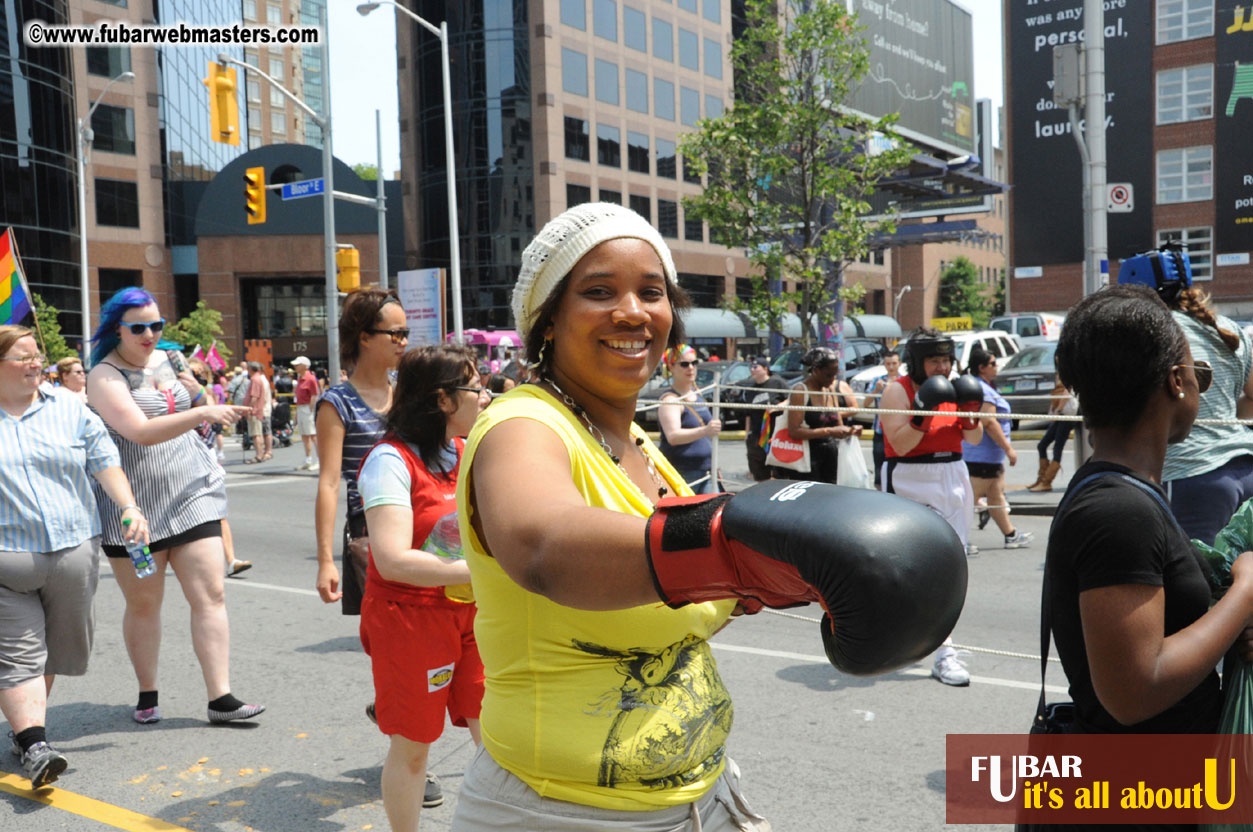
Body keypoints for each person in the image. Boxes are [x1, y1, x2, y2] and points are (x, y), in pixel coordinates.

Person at [453, 202, 966, 829]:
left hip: (703, 796)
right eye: (598, 291)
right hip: (559, 811)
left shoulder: (637, 447)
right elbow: (542, 547)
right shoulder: (522, 425)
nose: (633, 312)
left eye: (651, 292)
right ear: (549, 320)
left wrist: (775, 574)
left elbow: (669, 594)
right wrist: (728, 540)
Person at [1020, 285, 1253, 832]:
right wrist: (1244, 592)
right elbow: (1135, 688)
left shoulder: (1125, 494)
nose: (1201, 382)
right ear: (1176, 380)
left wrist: (1230, 625)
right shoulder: (1119, 511)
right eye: (1200, 371)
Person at [85, 287, 263, 725]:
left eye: (157, 325)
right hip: (134, 508)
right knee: (145, 604)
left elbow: (200, 401)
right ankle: (148, 693)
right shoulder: (104, 376)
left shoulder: (172, 358)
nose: (150, 334)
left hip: (190, 493)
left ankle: (220, 698)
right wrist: (202, 414)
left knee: (211, 593)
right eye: (139, 327)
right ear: (116, 330)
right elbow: (140, 431)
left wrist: (202, 397)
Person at [0, 326, 148, 788]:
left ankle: (26, 733)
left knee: (56, 649)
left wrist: (128, 506)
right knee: (20, 654)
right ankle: (36, 743)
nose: (34, 363)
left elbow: (104, 460)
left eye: (36, 354)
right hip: (7, 557)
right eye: (22, 356)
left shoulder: (67, 406)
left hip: (74, 549)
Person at [357, 345, 488, 832]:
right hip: (409, 620)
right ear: (443, 400)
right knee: (414, 746)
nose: (486, 398)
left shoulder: (463, 450)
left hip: (472, 614)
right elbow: (392, 560)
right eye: (476, 388)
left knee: (494, 735)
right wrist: (481, 575)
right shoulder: (388, 461)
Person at [1119, 256, 1253, 545]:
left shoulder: (1151, 331)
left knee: (1194, 584)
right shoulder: (1228, 327)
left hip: (1191, 472)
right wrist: (1227, 419)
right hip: (1245, 465)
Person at [879, 329, 984, 686]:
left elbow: (973, 439)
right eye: (935, 360)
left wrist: (972, 412)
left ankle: (931, 642)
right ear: (918, 361)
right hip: (910, 476)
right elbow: (901, 444)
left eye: (947, 359)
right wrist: (923, 413)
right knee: (919, 567)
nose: (943, 367)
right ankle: (943, 651)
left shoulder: (957, 388)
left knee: (954, 564)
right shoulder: (898, 390)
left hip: (953, 474)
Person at [960, 348, 1032, 549]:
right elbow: (989, 422)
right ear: (981, 368)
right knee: (968, 500)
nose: (996, 366)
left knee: (995, 496)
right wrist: (1009, 449)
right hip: (980, 455)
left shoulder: (985, 387)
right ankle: (959, 540)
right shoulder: (982, 390)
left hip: (989, 456)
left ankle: (1011, 535)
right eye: (992, 363)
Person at [188, 358, 250, 577]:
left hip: (206, 459)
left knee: (218, 511)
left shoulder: (208, 397)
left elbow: (217, 424)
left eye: (201, 374)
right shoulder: (174, 398)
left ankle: (231, 560)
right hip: (180, 464)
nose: (198, 378)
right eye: (193, 374)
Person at [771, 346, 860, 483]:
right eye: (828, 375)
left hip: (830, 456)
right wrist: (828, 431)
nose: (832, 379)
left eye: (835, 374)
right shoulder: (800, 391)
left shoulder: (830, 390)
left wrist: (850, 431)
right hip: (807, 458)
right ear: (816, 371)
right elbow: (794, 431)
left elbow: (838, 424)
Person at [656, 344, 721, 493]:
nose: (691, 368)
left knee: (714, 513)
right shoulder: (670, 399)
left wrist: (714, 466)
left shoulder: (698, 396)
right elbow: (673, 436)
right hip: (683, 473)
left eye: (694, 363)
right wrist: (705, 430)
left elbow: (705, 440)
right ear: (671, 367)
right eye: (684, 364)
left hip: (706, 471)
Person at [1024, 373, 1075, 492]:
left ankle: (1047, 482)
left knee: (1057, 448)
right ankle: (1042, 479)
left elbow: (1067, 391)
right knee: (1042, 445)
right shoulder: (1059, 370)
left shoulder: (1068, 368)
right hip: (1060, 415)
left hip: (1066, 416)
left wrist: (1059, 409)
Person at [742, 357, 788, 482]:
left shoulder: (777, 383)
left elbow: (792, 400)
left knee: (778, 474)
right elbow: (748, 414)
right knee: (759, 474)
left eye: (756, 367)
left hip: (776, 436)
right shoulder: (751, 390)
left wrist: (777, 407)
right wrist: (747, 434)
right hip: (757, 436)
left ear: (766, 369)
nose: (752, 369)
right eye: (751, 367)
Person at [865, 350, 902, 489]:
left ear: (899, 364)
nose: (891, 367)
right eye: (888, 364)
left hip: (899, 431)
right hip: (880, 431)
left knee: (898, 468)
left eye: (894, 363)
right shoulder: (877, 380)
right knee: (879, 469)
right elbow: (866, 403)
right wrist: (876, 390)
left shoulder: (904, 381)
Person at [291, 356, 320, 471]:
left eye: (297, 365)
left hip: (308, 407)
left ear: (304, 366)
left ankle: (319, 460)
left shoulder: (311, 378)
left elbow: (314, 395)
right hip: (301, 407)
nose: (295, 366)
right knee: (304, 435)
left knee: (313, 435)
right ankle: (308, 459)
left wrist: (311, 410)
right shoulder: (300, 378)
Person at [243, 362, 273, 464]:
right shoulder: (259, 379)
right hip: (259, 410)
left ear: (251, 369)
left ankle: (259, 455)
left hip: (255, 411)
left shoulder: (255, 380)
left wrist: (249, 409)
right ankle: (261, 453)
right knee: (258, 434)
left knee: (256, 434)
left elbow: (254, 396)